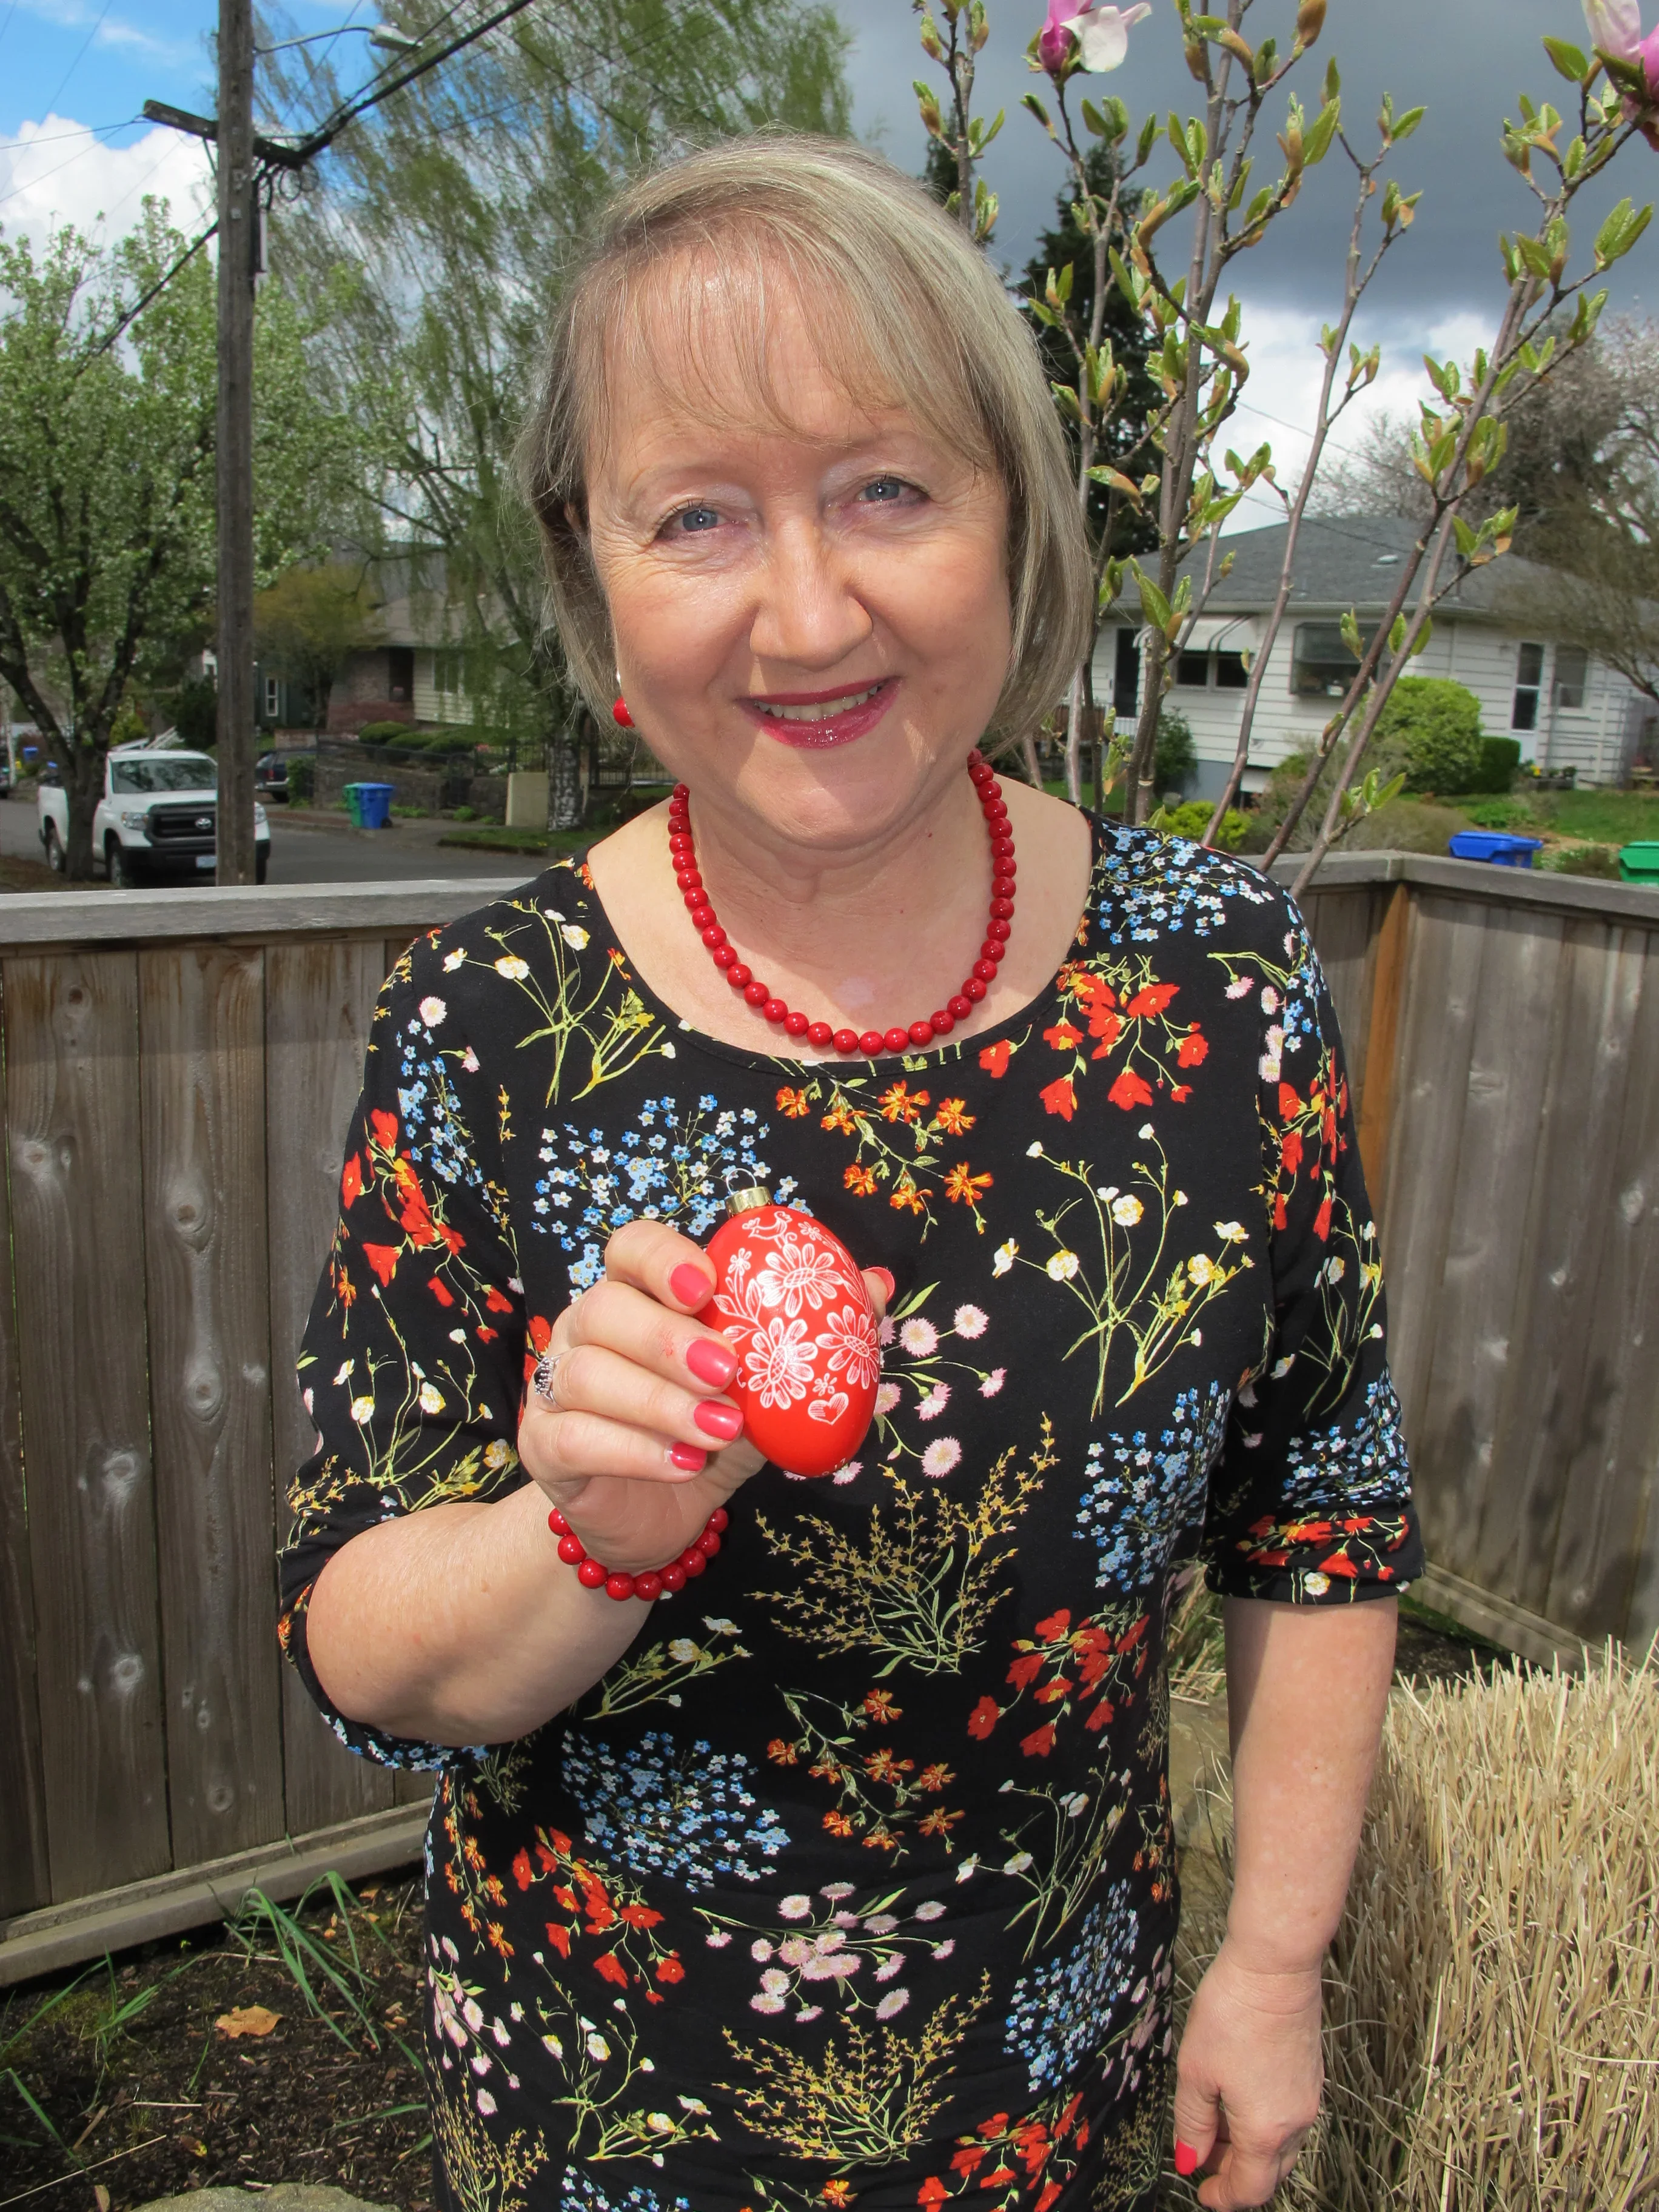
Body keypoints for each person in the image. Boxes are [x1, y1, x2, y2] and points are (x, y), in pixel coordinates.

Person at [279, 137, 1423, 2212]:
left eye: (886, 487)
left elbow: (1316, 1510)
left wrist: (1274, 1960)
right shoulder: (488, 1019)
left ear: (1014, 518)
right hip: (607, 2118)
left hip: (1064, 2078)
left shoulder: (1226, 984)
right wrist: (587, 1539)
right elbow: (358, 1645)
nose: (807, 612)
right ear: (594, 576)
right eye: (695, 516)